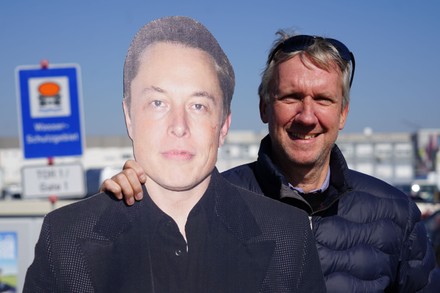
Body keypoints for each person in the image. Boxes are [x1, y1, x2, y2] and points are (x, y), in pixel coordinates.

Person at [101, 31, 440, 292]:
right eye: (291, 97)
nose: (307, 116)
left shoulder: (396, 214)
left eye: (323, 99)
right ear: (265, 107)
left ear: (342, 114)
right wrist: (130, 211)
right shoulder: (207, 203)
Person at [23, 16, 325, 293]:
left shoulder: (289, 234)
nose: (178, 126)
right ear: (129, 116)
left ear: (223, 125)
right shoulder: (64, 236)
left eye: (198, 105)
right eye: (158, 103)